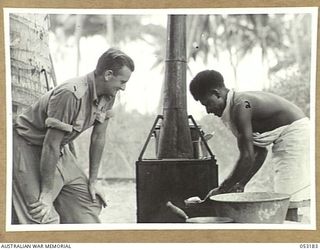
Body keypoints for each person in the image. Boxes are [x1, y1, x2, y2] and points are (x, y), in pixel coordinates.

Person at [12, 48, 135, 224]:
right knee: (40, 215)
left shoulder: (109, 95)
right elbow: (50, 144)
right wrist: (47, 194)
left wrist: (93, 181)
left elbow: (98, 138)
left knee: (89, 202)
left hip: (57, 150)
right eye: (122, 81)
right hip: (26, 146)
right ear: (108, 74)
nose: (123, 87)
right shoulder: (70, 93)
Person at [189, 70, 310, 219]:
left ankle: (292, 233)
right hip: (288, 134)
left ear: (217, 93)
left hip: (296, 132)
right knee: (286, 194)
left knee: (288, 194)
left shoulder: (241, 105)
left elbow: (247, 157)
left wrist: (222, 189)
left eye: (208, 103)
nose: (208, 110)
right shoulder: (234, 107)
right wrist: (241, 183)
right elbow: (259, 152)